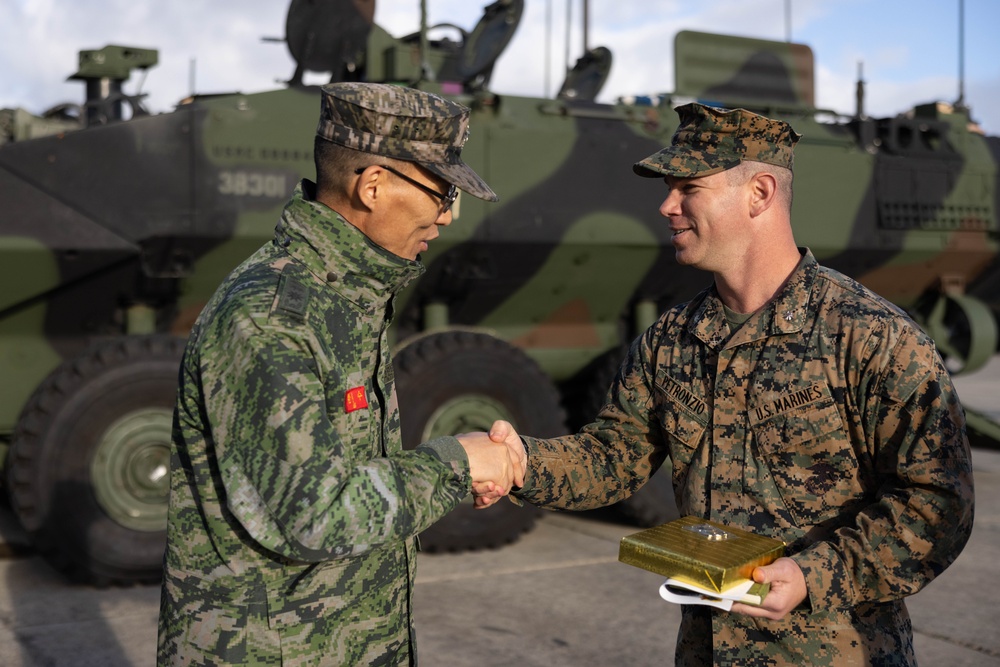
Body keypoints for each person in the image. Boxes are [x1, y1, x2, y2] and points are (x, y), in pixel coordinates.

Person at [474, 103, 975, 666]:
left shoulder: (870, 337)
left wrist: (812, 576)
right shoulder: (671, 339)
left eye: (688, 187)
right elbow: (612, 457)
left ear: (759, 193)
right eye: (668, 189)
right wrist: (520, 463)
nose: (666, 206)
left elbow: (937, 505)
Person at [157, 82, 519, 666]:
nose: (448, 215)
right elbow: (315, 515)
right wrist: (457, 462)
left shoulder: (346, 294)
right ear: (372, 186)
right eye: (442, 189)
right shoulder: (272, 316)